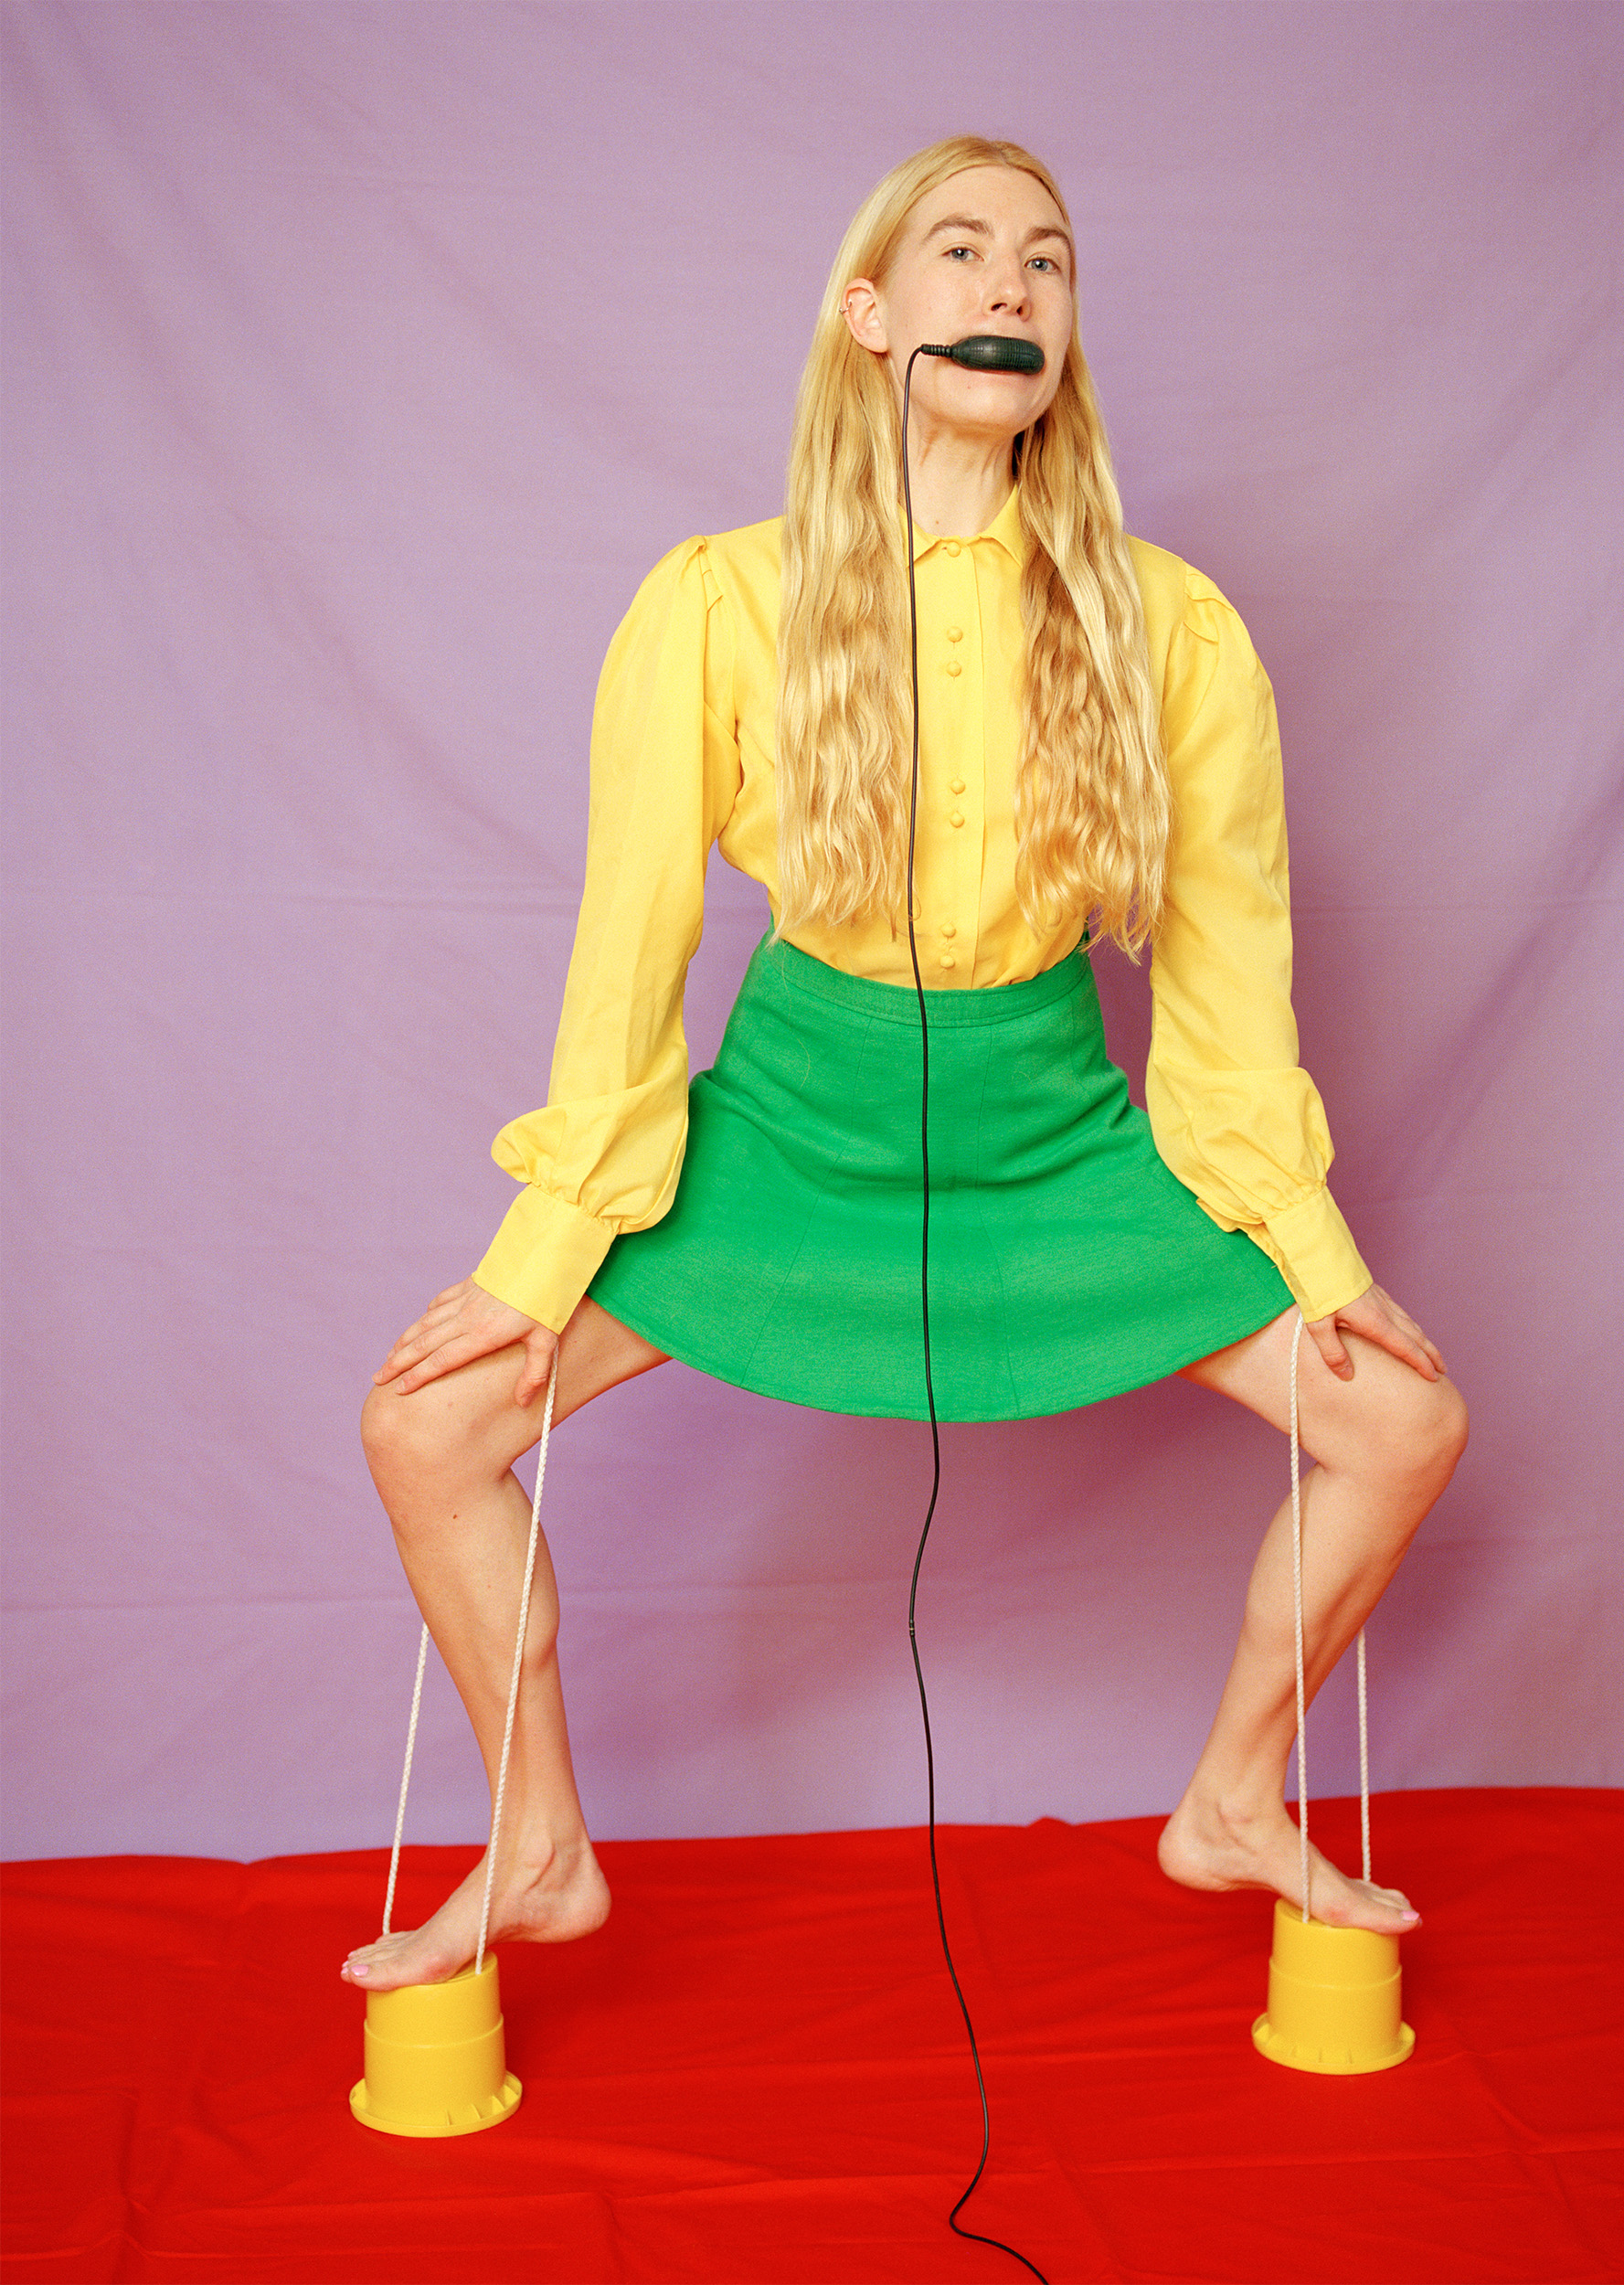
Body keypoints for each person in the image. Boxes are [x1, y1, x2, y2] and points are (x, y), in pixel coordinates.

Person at [344, 135, 1468, 1993]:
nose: (1009, 285)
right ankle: (534, 1848)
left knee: (1402, 1419)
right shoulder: (713, 601)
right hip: (785, 1128)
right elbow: (625, 961)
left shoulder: (1169, 627)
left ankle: (1237, 1801)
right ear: (874, 316)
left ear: (1064, 336)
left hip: (1055, 1139)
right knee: (427, 1424)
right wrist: (531, 1263)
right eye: (960, 251)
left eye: (1045, 259)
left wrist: (1319, 1256)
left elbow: (1227, 992)